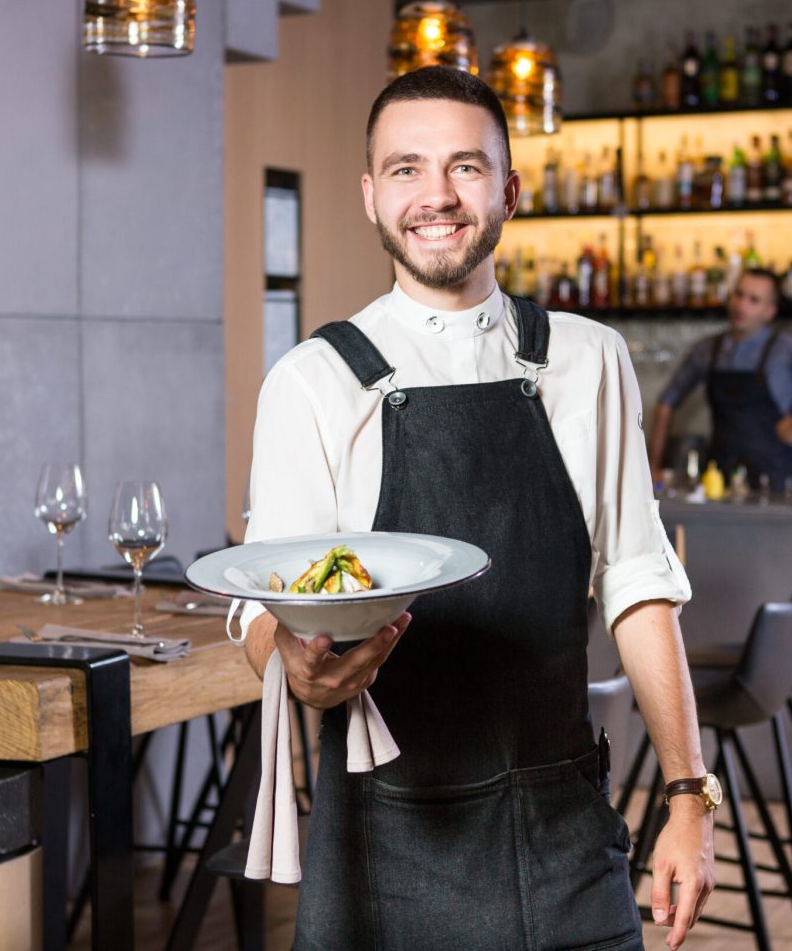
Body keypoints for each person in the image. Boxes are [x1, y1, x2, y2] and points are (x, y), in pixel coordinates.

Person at [240, 66, 714, 951]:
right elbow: (265, 598)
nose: (438, 195)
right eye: (408, 169)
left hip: (562, 818)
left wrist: (689, 794)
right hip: (386, 835)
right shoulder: (314, 380)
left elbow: (640, 585)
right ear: (371, 196)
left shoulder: (588, 359)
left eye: (465, 167)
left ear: (509, 190)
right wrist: (296, 667)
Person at [649, 267, 792, 490]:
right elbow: (666, 403)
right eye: (739, 295)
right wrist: (652, 464)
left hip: (776, 479)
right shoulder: (706, 350)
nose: (742, 306)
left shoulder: (787, 348)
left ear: (769, 311)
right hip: (720, 477)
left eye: (754, 300)